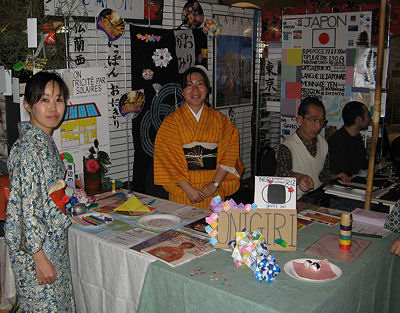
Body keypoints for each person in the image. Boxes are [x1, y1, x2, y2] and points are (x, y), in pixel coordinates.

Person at [5, 72, 75, 311]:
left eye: (59, 99)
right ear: (27, 104)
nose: (54, 107)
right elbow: (26, 209)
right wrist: (39, 258)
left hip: (52, 244)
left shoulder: (43, 141)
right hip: (38, 249)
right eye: (44, 100)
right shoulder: (27, 149)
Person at [154, 67, 243, 210]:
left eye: (200, 84)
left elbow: (229, 155)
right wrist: (188, 189)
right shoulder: (171, 123)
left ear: (207, 89)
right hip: (182, 191)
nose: (195, 90)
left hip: (213, 189)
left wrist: (214, 185)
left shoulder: (221, 121)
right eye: (189, 85)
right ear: (182, 91)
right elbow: (167, 160)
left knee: (215, 229)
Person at [275, 97, 350, 200]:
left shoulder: (322, 143)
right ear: (300, 120)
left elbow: (321, 175)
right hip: (297, 199)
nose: (318, 126)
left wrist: (336, 175)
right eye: (314, 120)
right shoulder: (287, 147)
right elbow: (282, 173)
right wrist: (299, 178)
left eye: (321, 121)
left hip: (318, 195)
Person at [328, 101, 371, 176]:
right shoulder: (337, 141)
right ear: (358, 119)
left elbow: (362, 166)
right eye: (368, 116)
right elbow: (337, 172)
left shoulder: (357, 137)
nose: (370, 119)